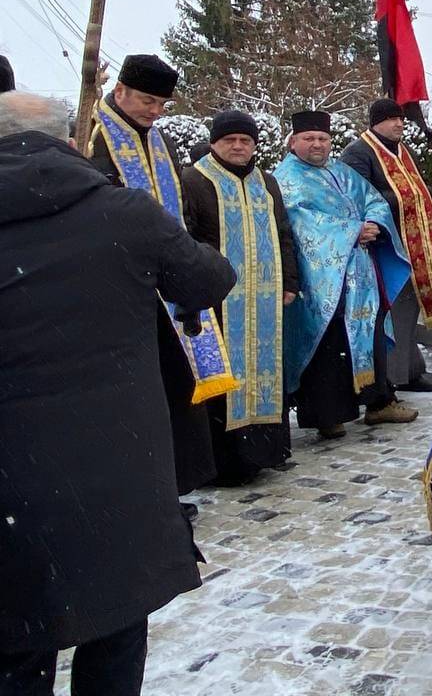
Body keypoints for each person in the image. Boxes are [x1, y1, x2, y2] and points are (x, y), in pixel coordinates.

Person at [0, 92, 235, 695]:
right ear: (70, 139)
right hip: (115, 467)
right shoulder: (124, 214)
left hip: (10, 483)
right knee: (115, 627)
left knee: (14, 642)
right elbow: (209, 278)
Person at [85, 53, 229, 503]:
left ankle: (172, 487)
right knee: (138, 395)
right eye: (147, 100)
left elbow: (177, 209)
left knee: (172, 386)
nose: (153, 110)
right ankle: (147, 491)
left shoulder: (158, 141)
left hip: (165, 281)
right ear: (121, 91)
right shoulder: (95, 138)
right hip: (121, 283)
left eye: (161, 103)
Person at [275, 110, 418, 439]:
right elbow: (299, 222)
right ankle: (328, 416)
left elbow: (373, 199)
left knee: (370, 329)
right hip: (319, 281)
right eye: (309, 139)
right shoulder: (287, 178)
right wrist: (353, 231)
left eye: (323, 139)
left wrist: (373, 224)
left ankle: (378, 401)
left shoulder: (340, 170)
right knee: (327, 341)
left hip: (360, 273)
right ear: (293, 142)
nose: (317, 145)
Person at [181, 110, 298, 485]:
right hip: (217, 302)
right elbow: (187, 238)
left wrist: (290, 282)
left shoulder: (267, 182)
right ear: (214, 142)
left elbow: (283, 232)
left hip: (263, 298)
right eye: (229, 139)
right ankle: (226, 463)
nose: (237, 146)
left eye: (245, 140)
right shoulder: (195, 179)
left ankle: (266, 451)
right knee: (224, 378)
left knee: (265, 371)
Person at [341, 98, 432, 393]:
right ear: (375, 122)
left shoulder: (401, 151)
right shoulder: (359, 153)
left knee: (408, 309)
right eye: (392, 119)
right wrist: (398, 202)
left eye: (401, 119)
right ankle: (391, 377)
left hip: (411, 244)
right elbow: (356, 198)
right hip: (381, 248)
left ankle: (409, 370)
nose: (399, 124)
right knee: (391, 312)